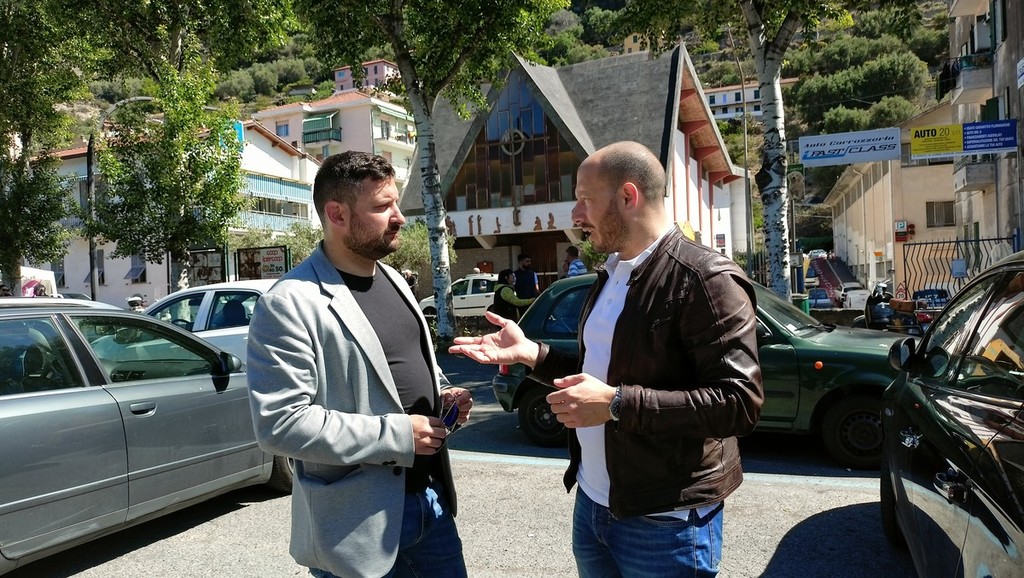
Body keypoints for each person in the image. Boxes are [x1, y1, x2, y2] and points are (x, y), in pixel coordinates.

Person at [450, 141, 763, 577]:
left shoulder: (705, 279)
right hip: (594, 505)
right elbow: (597, 376)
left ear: (628, 196)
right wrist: (532, 354)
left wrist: (617, 404)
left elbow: (739, 403)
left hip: (666, 521)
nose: (575, 215)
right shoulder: (612, 273)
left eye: (585, 199)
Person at [247, 151, 474, 578]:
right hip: (356, 530)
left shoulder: (394, 280)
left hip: (432, 504)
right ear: (337, 214)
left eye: (395, 203)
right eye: (382, 206)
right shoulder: (288, 303)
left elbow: (402, 367)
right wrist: (398, 434)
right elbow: (280, 423)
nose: (399, 217)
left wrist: (443, 393)